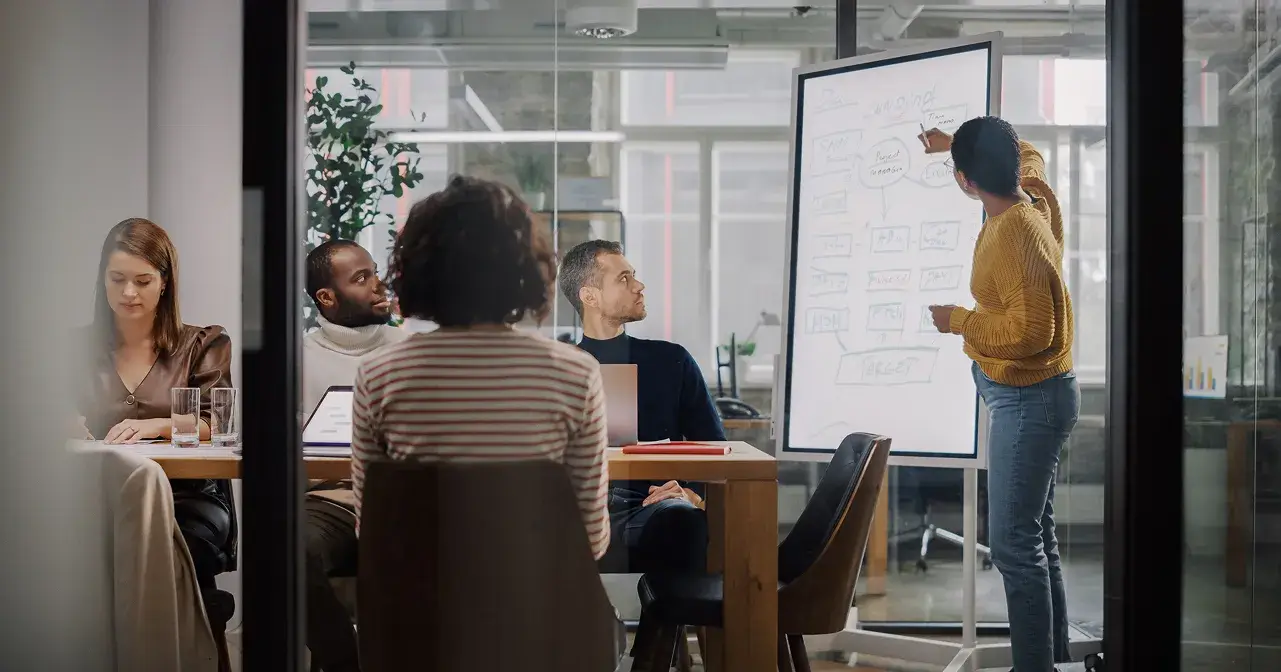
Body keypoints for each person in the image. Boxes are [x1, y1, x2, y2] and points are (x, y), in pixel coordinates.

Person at [350, 175, 611, 559]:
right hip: (535, 611)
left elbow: (372, 529)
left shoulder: (379, 374)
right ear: (525, 270)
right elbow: (591, 540)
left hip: (420, 612)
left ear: (416, 270)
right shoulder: (575, 373)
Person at [921, 117, 1078, 672]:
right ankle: (1049, 661)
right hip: (1029, 396)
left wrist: (959, 321)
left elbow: (1035, 333)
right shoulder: (1030, 193)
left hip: (1028, 398)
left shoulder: (1015, 234)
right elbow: (1026, 151)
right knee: (1036, 537)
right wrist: (951, 146)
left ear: (964, 180)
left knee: (1014, 545)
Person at [73, 217, 234, 592]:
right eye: (117, 279)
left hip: (187, 495)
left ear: (165, 283)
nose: (129, 292)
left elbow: (218, 422)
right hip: (98, 492)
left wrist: (160, 425)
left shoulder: (202, 344)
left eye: (142, 281)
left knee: (154, 547)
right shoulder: (74, 349)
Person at [557, 240, 724, 575]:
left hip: (653, 507)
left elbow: (716, 448)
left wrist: (690, 491)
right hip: (577, 511)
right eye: (624, 279)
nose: (639, 286)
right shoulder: (559, 367)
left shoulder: (671, 360)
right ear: (589, 296)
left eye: (634, 276)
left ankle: (660, 629)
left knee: (683, 518)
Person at [301, 239, 408, 672]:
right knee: (287, 547)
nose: (378, 285)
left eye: (374, 272)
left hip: (402, 502)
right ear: (327, 297)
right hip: (329, 501)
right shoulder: (297, 358)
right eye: (361, 278)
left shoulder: (409, 349)